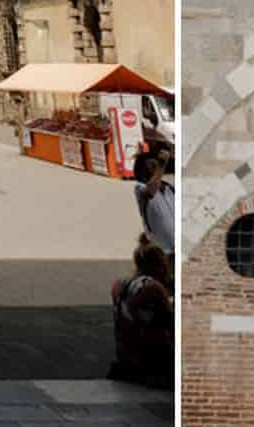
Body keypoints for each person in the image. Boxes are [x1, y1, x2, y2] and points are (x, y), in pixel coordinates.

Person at [108, 239, 174, 388]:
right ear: (159, 265)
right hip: (149, 361)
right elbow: (171, 322)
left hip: (124, 357)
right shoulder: (153, 287)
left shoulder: (119, 285)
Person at [135, 151, 175, 255]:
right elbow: (151, 190)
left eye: (155, 165)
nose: (154, 168)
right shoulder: (140, 188)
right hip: (161, 251)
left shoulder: (170, 188)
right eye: (150, 166)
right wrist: (162, 165)